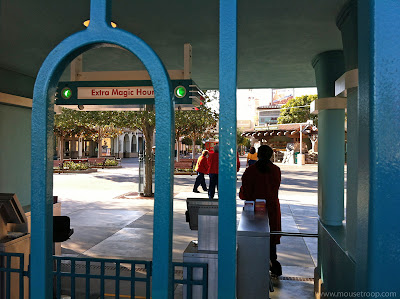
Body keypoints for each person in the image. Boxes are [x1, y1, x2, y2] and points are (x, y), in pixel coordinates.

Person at [239, 145, 282, 276]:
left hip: (253, 210)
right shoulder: (276, 170)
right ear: (270, 156)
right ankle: (273, 263)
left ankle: (254, 267)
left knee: (253, 237)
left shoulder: (250, 171)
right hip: (272, 208)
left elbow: (244, 194)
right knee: (270, 236)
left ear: (257, 155)